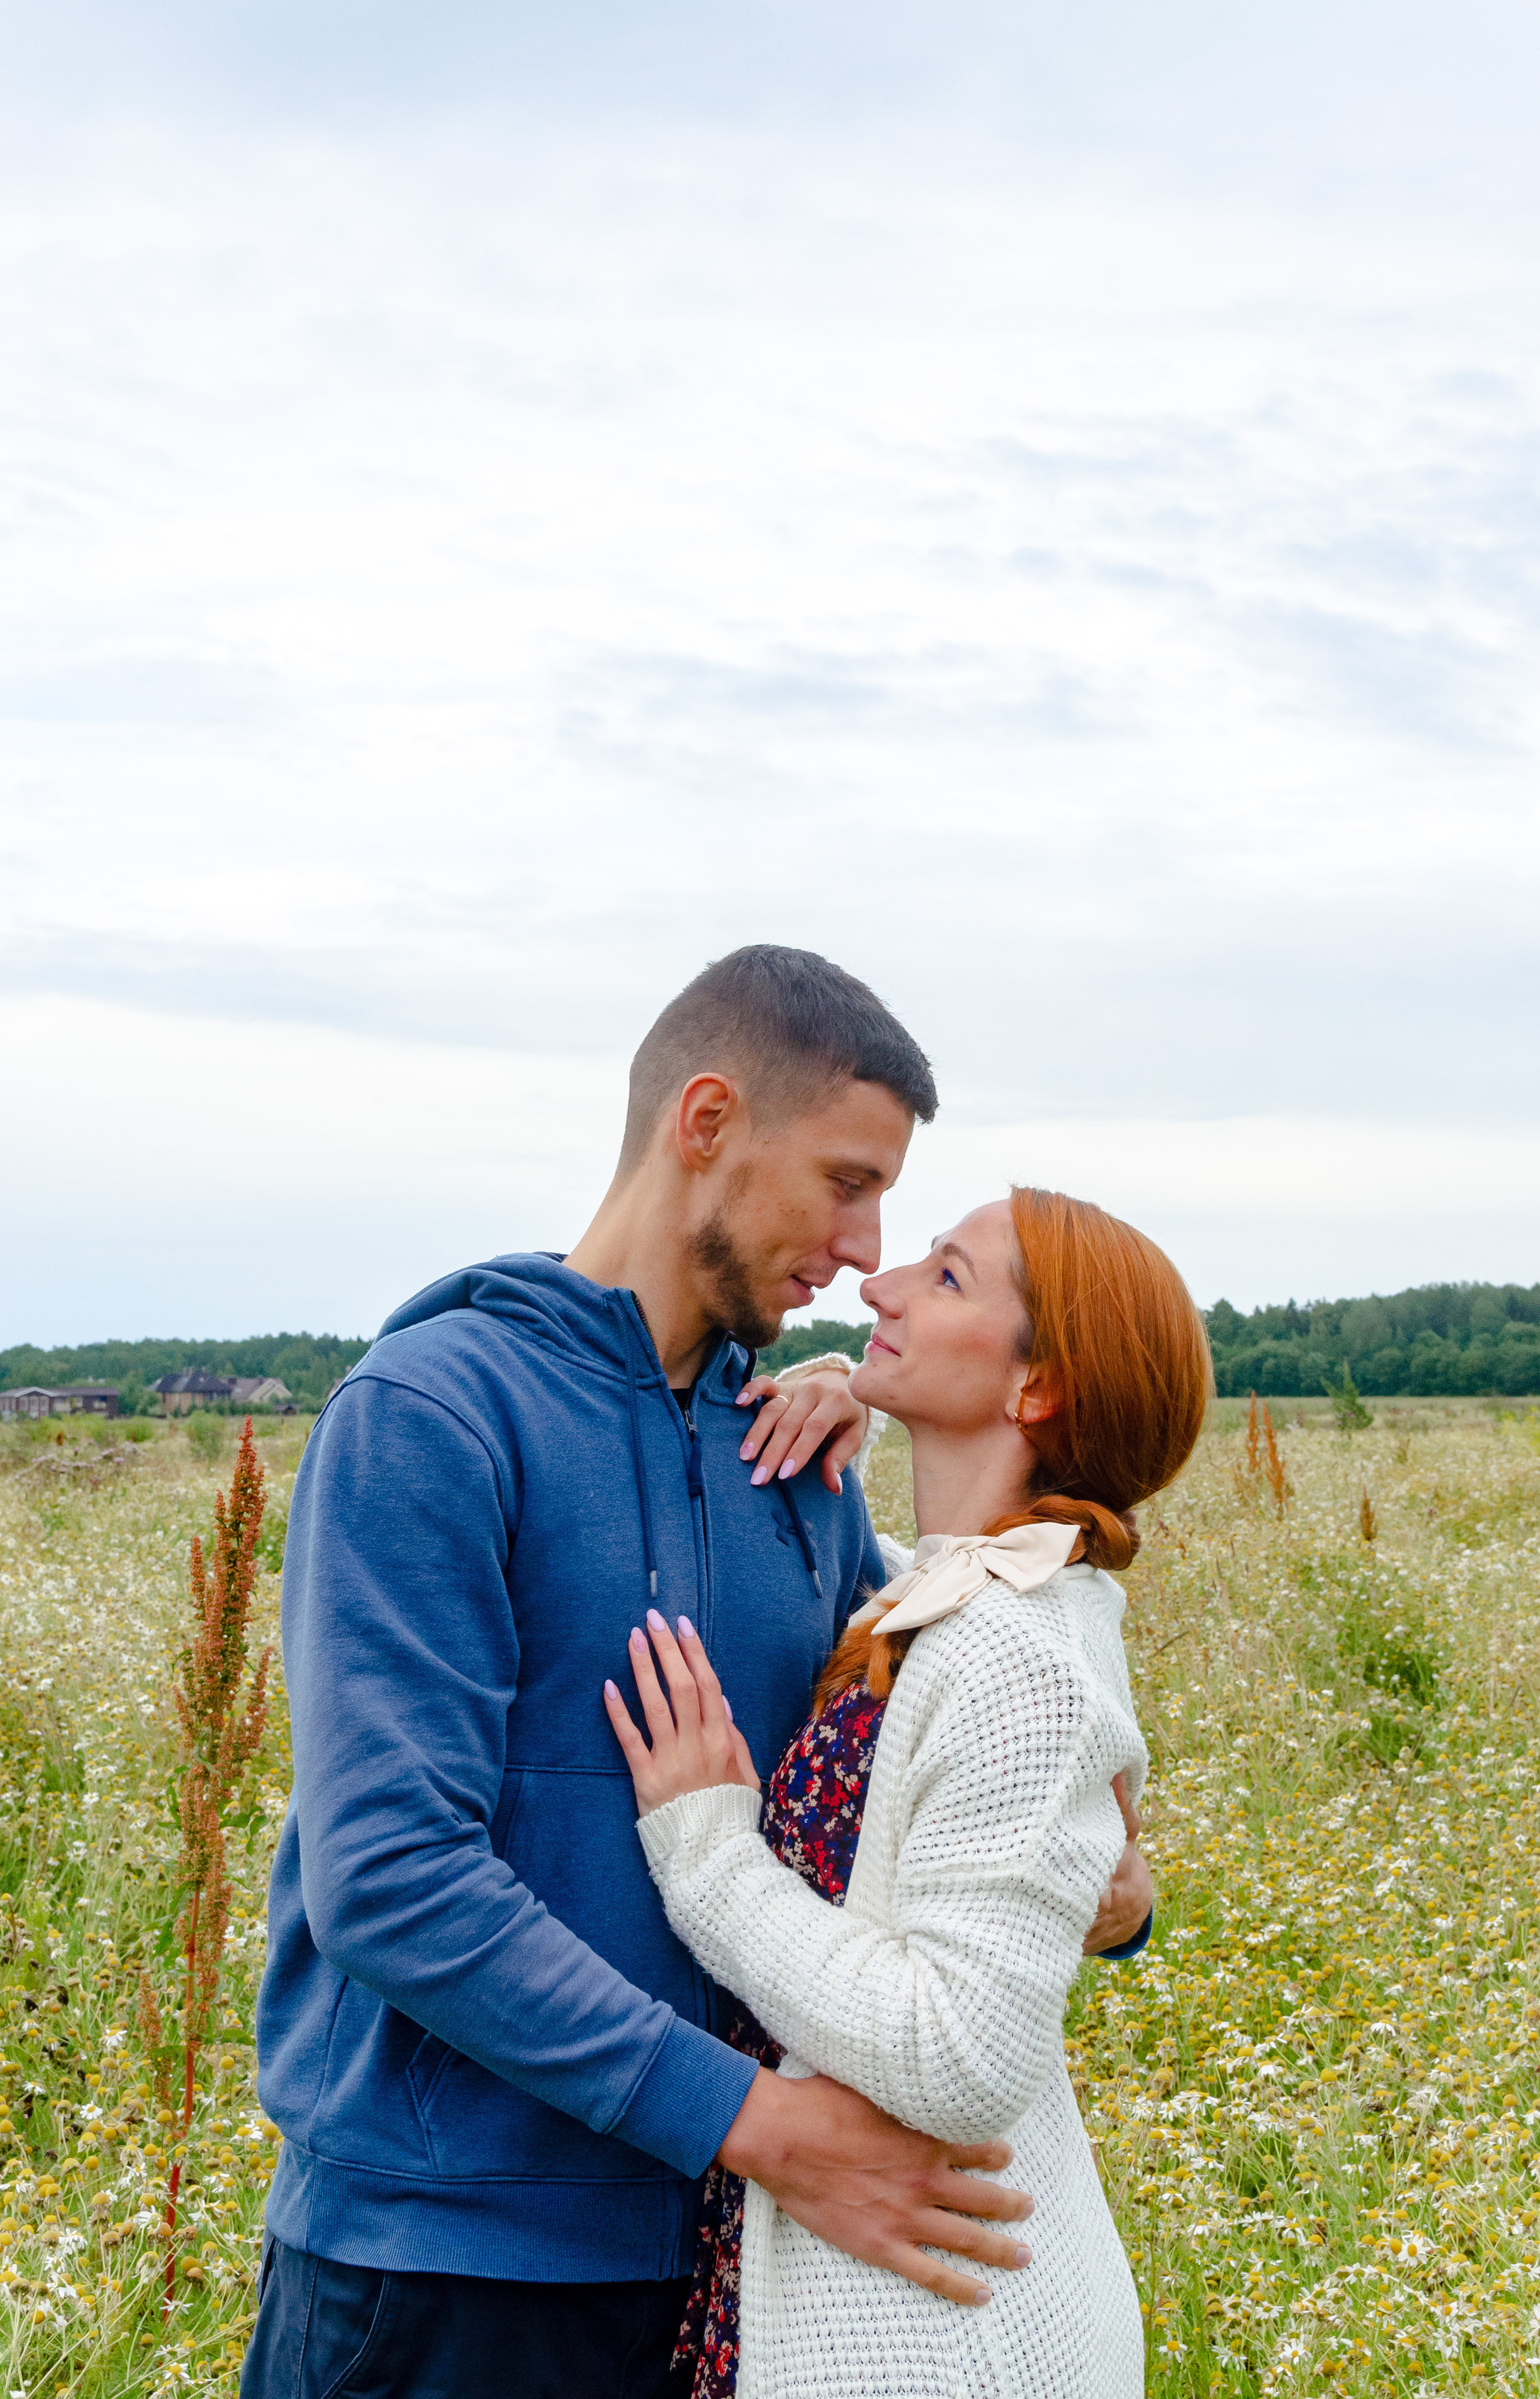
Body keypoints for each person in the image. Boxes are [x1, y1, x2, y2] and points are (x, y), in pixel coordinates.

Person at [241, 948, 1144, 2399]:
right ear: (708, 1120)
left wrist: (1112, 1876)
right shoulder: (432, 1412)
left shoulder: (798, 1466)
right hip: (443, 2262)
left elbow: (926, 1776)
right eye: (846, 1181)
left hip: (734, 2278)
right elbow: (391, 1877)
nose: (863, 1248)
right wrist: (755, 2123)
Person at [607, 1187, 1213, 2397]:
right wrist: (850, 1411)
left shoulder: (1019, 1655)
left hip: (941, 2336)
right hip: (884, 2287)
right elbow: (913, 1614)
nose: (875, 1285)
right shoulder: (963, 1600)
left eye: (944, 1277)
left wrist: (709, 1856)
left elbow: (958, 2055)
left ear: (1035, 1387)